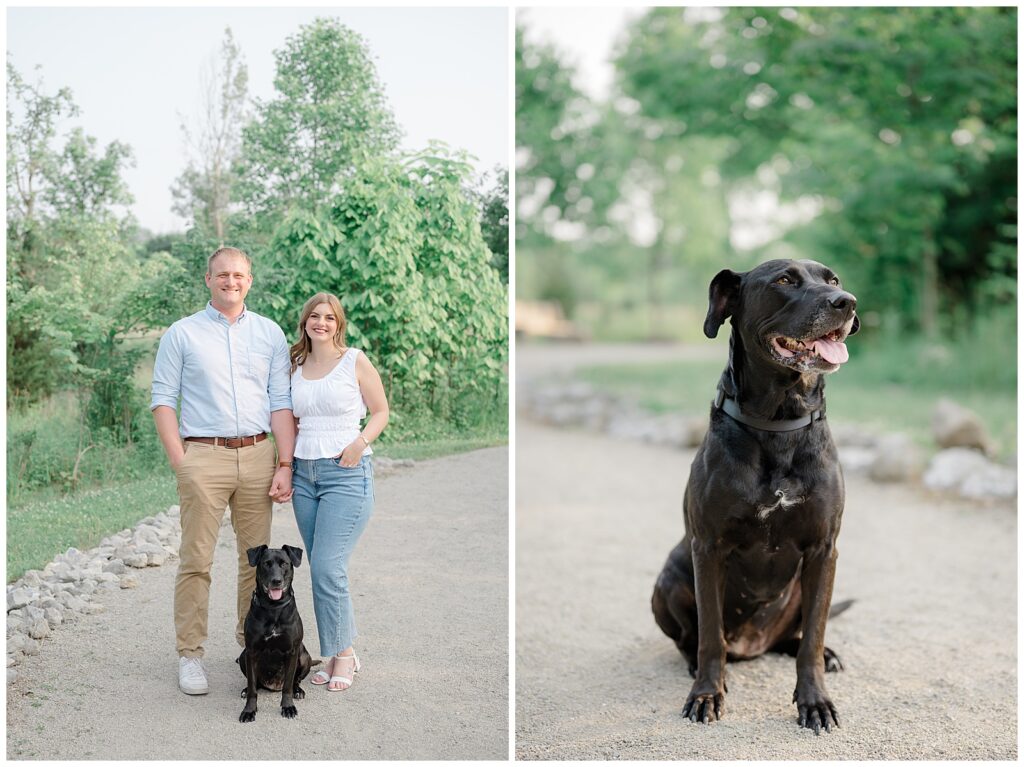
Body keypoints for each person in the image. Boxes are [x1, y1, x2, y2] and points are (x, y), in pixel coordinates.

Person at [150, 246, 296, 696]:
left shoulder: (269, 333)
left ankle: (251, 652)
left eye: (239, 275)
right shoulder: (182, 334)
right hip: (203, 457)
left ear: (250, 280)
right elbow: (162, 400)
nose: (231, 281)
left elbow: (280, 402)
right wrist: (183, 463)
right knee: (196, 560)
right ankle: (190, 655)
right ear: (208, 279)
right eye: (222, 275)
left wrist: (285, 463)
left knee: (257, 563)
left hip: (257, 455)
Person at [288, 292, 389, 691]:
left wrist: (359, 443)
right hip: (303, 475)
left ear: (339, 323)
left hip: (345, 473)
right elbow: (289, 419)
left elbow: (381, 410)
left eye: (329, 318)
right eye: (315, 316)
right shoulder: (295, 364)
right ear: (305, 322)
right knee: (323, 571)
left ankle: (342, 655)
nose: (322, 323)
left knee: (329, 568)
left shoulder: (354, 360)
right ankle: (339, 650)